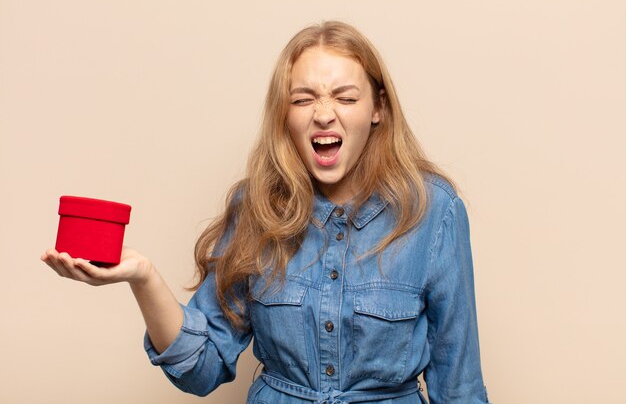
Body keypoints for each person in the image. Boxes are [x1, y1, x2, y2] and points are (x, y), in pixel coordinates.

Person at [41, 20, 490, 404]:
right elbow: (200, 367)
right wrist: (141, 276)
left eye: (346, 98)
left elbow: (459, 385)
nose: (324, 114)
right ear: (284, 115)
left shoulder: (433, 211)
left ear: (379, 109)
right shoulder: (254, 207)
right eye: (303, 99)